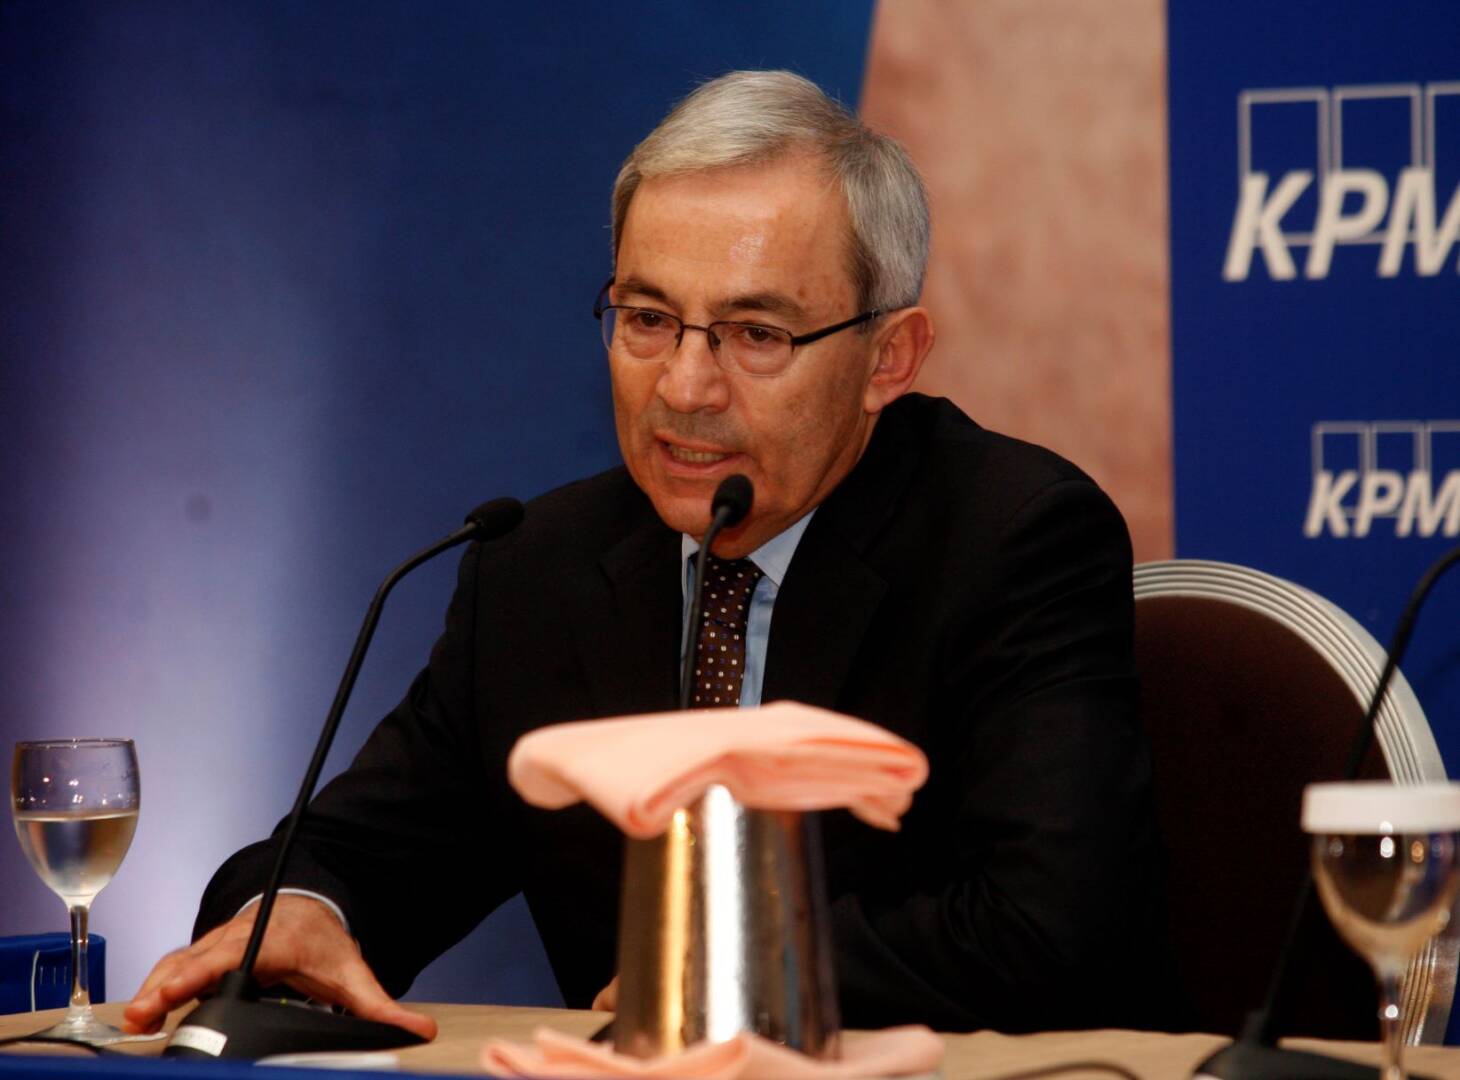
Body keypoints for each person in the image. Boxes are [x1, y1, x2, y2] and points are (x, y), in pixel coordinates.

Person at [125, 70, 1165, 1040]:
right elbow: (364, 853)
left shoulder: (1009, 539)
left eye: (755, 334)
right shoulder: (538, 568)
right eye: (648, 319)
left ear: (887, 359)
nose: (683, 388)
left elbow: (1050, 930)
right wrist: (303, 909)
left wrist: (743, 972)